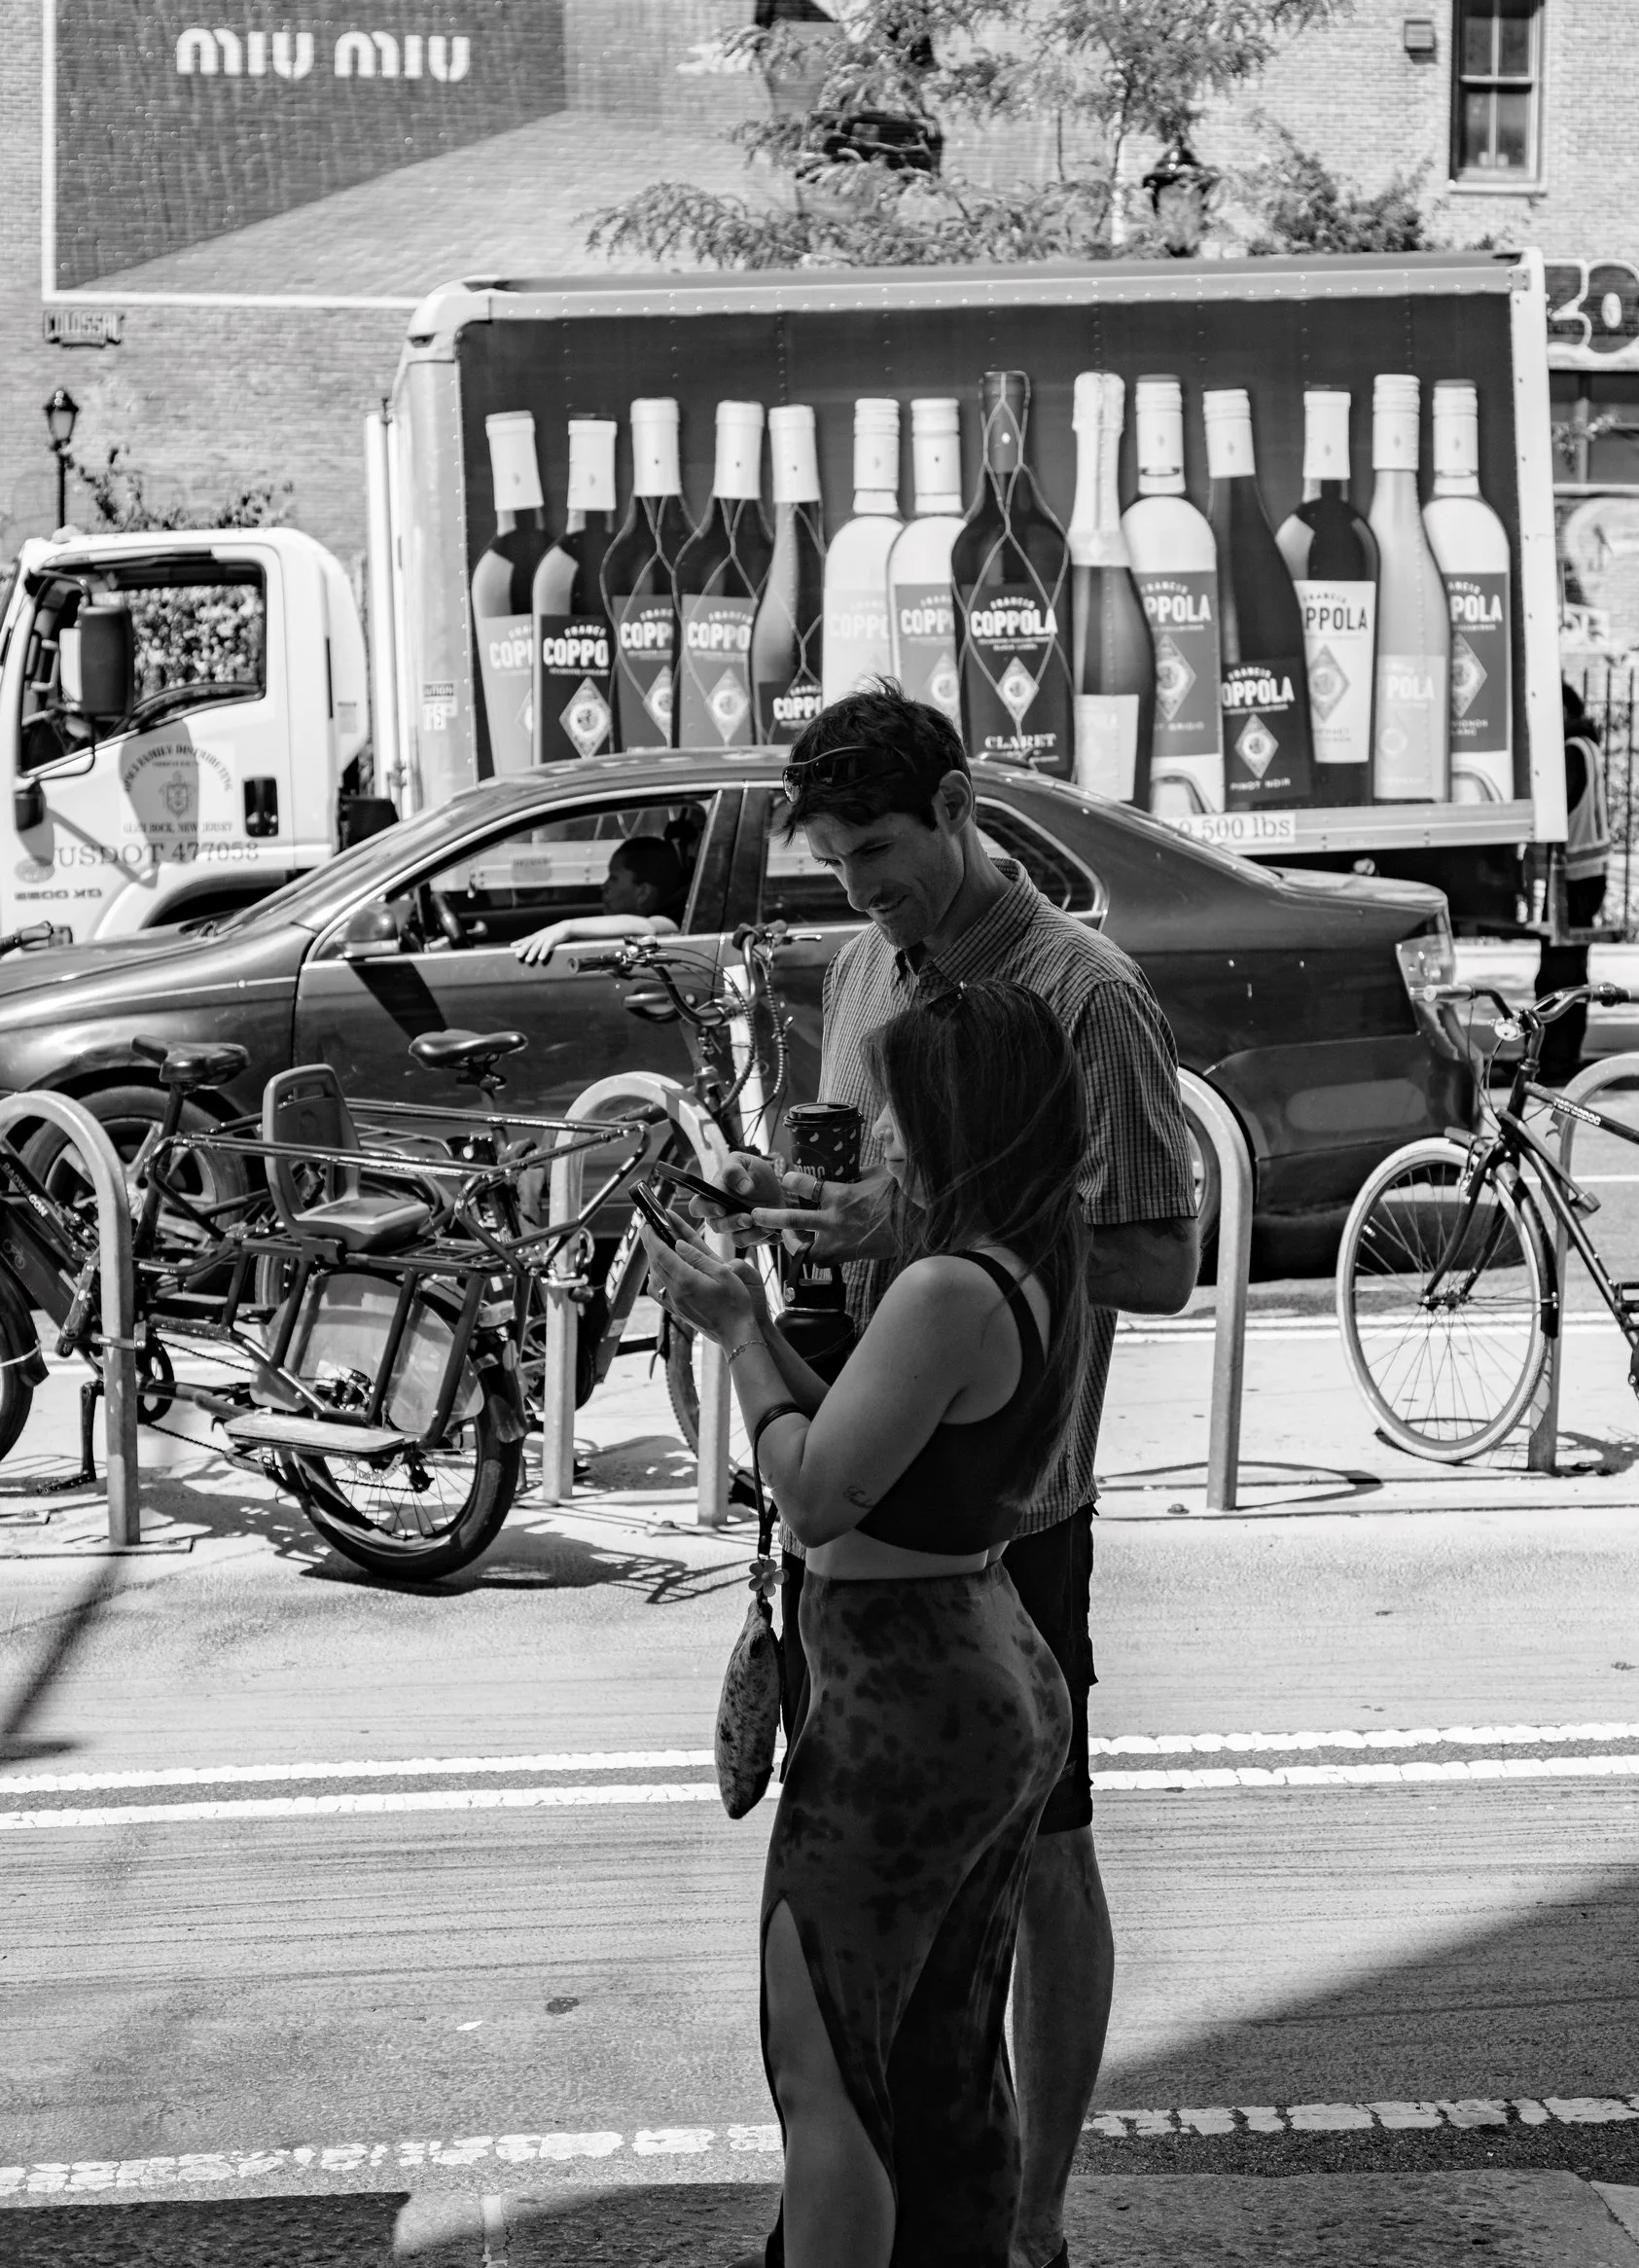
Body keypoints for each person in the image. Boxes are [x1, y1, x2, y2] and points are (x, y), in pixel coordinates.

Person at [704, 683, 1199, 2268]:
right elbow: (855, 1175)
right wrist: (790, 1207)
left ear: (961, 806)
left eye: (881, 852)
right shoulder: (865, 962)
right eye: (837, 861)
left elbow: (1162, 1258)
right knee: (899, 1922)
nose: (862, 890)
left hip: (1006, 1506)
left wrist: (928, 1242)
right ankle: (907, 2206)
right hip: (860, 1474)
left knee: (1033, 1865)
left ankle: (1027, 2218)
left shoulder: (1086, 993)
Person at [643, 979, 1087, 2268]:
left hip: (907, 1698)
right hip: (981, 1658)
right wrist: (754, 1302)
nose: (879, 1135)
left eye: (898, 1112)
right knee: (940, 2058)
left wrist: (734, 1330)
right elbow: (853, 1434)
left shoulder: (945, 1286)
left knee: (824, 2060)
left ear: (958, 1117)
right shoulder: (1025, 1253)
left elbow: (812, 1486)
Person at [1534, 680, 1611, 1082]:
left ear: (1562, 712)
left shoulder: (1571, 751)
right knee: (1568, 973)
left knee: (1558, 976)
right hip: (1585, 875)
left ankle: (1555, 1062)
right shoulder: (1586, 746)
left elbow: (1553, 807)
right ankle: (1557, 1059)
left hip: (1574, 879)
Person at [512, 835, 686, 964]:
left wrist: (567, 928)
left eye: (614, 878)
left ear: (643, 892)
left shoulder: (673, 916)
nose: (604, 886)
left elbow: (648, 928)